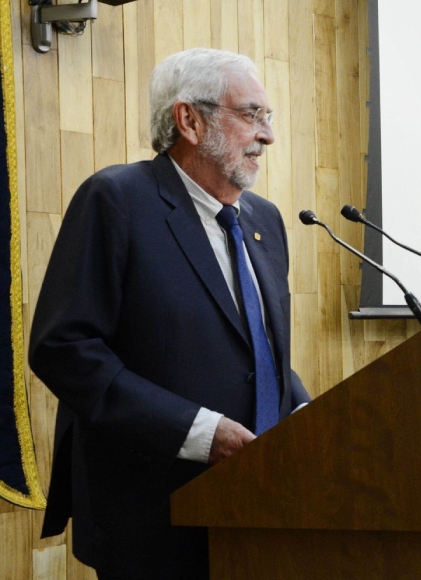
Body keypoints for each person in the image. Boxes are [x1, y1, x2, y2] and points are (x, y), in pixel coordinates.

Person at [29, 48, 311, 579]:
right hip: (153, 516)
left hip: (260, 509)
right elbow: (64, 349)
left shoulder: (265, 221)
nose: (267, 135)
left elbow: (261, 351)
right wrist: (201, 433)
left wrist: (306, 417)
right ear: (189, 120)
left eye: (268, 117)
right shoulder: (116, 200)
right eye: (251, 115)